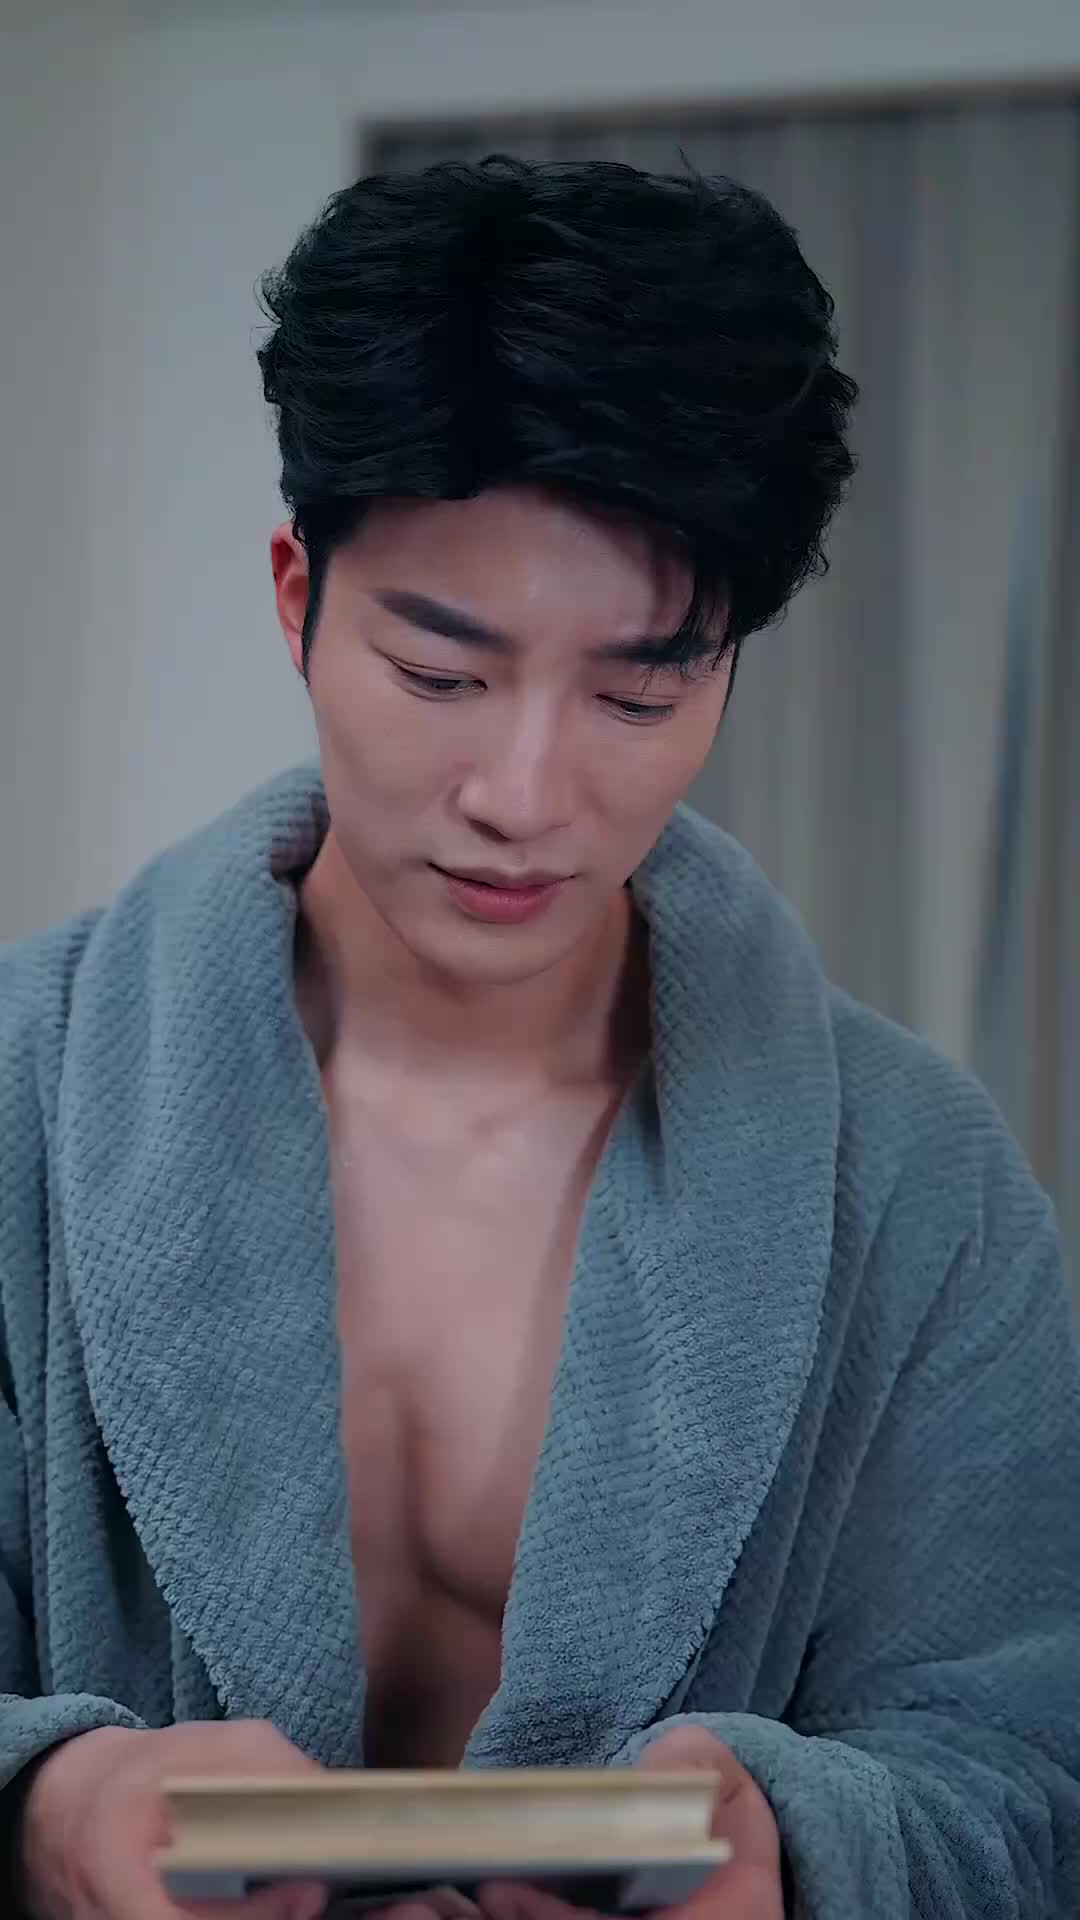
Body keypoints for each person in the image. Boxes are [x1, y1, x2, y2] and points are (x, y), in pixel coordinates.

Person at [1, 154, 1078, 1920]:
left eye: (640, 693)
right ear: (295, 596)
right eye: (442, 675)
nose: (526, 793)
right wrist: (48, 1809)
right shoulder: (18, 1101)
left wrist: (800, 1851)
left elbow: (1033, 1774)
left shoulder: (917, 1184)